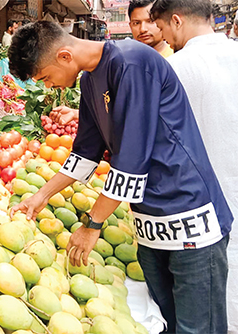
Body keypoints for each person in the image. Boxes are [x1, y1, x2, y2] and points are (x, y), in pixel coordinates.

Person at [8, 21, 232, 334]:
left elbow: (131, 158)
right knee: (168, 320)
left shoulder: (131, 63)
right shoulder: (89, 82)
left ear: (63, 56)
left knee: (198, 327)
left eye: (45, 77)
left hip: (188, 214)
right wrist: (40, 196)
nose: (48, 86)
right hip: (150, 223)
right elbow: (86, 152)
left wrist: (92, 224)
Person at [150, 0, 238, 332]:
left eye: (162, 28)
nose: (164, 37)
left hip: (200, 204)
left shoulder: (178, 66)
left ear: (176, 20)